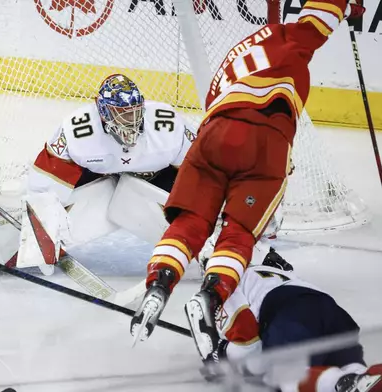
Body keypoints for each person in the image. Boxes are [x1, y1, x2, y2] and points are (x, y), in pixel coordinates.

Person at [129, 0, 366, 352]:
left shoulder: (230, 63)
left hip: (211, 137)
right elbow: (319, 16)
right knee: (239, 232)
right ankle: (211, 297)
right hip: (263, 139)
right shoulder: (284, 39)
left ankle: (159, 285)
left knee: (190, 223)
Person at [0, 73, 198, 279]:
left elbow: (201, 174)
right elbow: (45, 185)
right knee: (55, 215)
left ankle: (206, 249)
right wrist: (44, 227)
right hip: (96, 176)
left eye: (134, 113)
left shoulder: (168, 127)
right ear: (103, 112)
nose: (131, 122)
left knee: (187, 209)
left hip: (158, 176)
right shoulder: (78, 132)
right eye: (122, 114)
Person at [199, 249, 382, 392]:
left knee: (285, 377)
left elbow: (248, 345)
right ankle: (371, 378)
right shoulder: (273, 270)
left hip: (291, 316)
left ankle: (348, 384)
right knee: (354, 369)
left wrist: (221, 354)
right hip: (333, 313)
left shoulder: (224, 283)